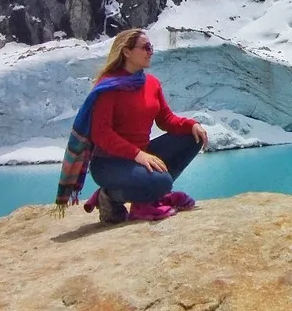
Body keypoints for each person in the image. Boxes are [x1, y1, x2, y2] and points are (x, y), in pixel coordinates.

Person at [55, 28, 208, 224]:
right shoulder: (109, 87)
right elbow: (101, 134)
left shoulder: (151, 83)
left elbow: (165, 119)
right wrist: (138, 154)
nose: (150, 51)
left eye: (151, 47)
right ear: (126, 52)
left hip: (140, 156)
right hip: (110, 163)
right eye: (145, 47)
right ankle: (110, 196)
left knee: (192, 138)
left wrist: (191, 124)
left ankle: (152, 195)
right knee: (162, 181)